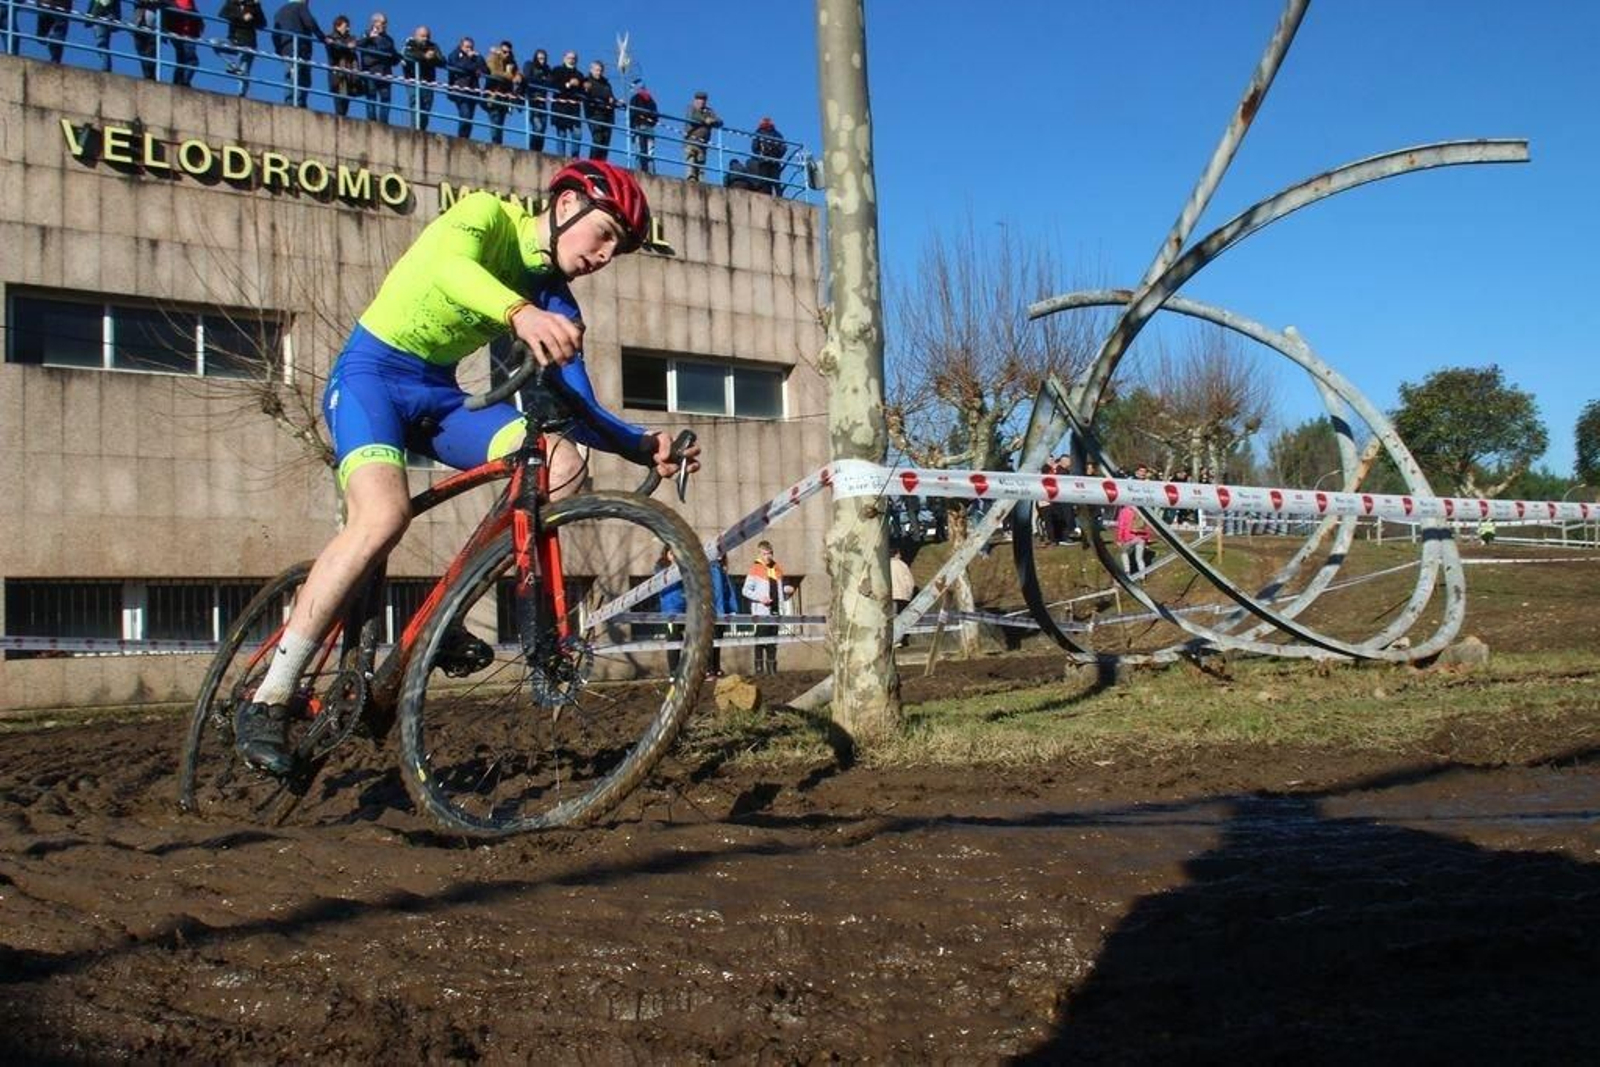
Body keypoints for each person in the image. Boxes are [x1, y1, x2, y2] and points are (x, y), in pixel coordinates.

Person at [233, 161, 697, 775]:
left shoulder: (553, 296)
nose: (607, 255)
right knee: (382, 517)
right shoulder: (483, 216)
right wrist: (518, 315)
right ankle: (270, 695)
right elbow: (451, 273)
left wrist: (639, 444)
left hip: (439, 401)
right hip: (371, 380)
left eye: (620, 248)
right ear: (565, 207)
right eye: (605, 234)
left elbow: (575, 406)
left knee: (559, 462)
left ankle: (447, 610)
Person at [742, 541, 791, 676]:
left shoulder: (777, 568)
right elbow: (745, 590)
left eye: (770, 553)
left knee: (773, 641)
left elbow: (781, 590)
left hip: (776, 610)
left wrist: (787, 590)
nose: (768, 556)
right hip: (762, 611)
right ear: (760, 554)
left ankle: (772, 670)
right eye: (765, 554)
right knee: (760, 640)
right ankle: (759, 670)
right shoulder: (755, 568)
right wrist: (761, 598)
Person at [272, 0, 324, 108]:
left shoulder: (279, 12)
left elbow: (275, 33)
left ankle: (290, 101)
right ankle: (298, 103)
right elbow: (310, 22)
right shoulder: (300, 7)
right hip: (300, 48)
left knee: (291, 76)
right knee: (302, 78)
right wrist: (322, 37)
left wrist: (278, 49)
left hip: (285, 49)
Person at [357, 13, 399, 122]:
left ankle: (384, 122)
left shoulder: (388, 39)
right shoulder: (365, 34)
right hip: (370, 71)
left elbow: (390, 52)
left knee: (386, 99)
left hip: (385, 72)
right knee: (371, 97)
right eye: (382, 23)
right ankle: (371, 121)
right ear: (374, 23)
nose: (384, 25)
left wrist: (397, 57)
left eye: (385, 23)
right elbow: (358, 46)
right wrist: (370, 38)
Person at [400, 25, 443, 131]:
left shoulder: (433, 46)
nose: (425, 39)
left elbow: (442, 60)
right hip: (413, 80)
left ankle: (422, 130)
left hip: (428, 82)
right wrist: (424, 56)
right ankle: (415, 130)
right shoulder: (409, 43)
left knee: (426, 108)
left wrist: (433, 57)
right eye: (423, 36)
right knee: (416, 104)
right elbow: (406, 54)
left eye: (427, 36)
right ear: (415, 36)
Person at [219, 0, 266, 95]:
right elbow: (222, 14)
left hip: (248, 42)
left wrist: (257, 9)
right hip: (233, 40)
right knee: (214, 43)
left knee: (245, 69)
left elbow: (262, 24)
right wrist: (241, 16)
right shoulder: (231, 3)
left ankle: (241, 94)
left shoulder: (253, 6)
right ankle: (233, 66)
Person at [445, 36, 486, 139]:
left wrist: (478, 59)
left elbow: (486, 69)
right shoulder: (454, 55)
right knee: (466, 115)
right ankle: (461, 138)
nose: (469, 49)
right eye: (467, 47)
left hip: (473, 91)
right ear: (461, 46)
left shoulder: (476, 56)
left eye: (471, 47)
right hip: (460, 90)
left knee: (470, 119)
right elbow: (458, 66)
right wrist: (470, 60)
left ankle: (465, 138)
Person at [482, 40, 519, 146]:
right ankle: (496, 145)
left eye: (509, 52)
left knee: (500, 123)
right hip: (493, 95)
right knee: (496, 121)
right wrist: (508, 74)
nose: (507, 54)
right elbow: (494, 73)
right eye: (504, 52)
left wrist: (518, 77)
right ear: (500, 50)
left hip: (505, 97)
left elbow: (518, 73)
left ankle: (498, 144)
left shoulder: (511, 61)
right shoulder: (492, 57)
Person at [549, 50, 585, 157]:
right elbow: (553, 85)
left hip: (574, 108)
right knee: (561, 134)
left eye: (574, 58)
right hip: (560, 107)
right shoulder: (557, 70)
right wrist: (568, 84)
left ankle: (574, 157)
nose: (572, 60)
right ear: (564, 58)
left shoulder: (580, 75)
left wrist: (583, 87)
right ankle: (561, 157)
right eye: (569, 58)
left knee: (577, 134)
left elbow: (583, 93)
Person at [582, 58, 618, 162]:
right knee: (597, 138)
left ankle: (602, 163)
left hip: (607, 116)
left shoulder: (606, 84)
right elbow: (588, 95)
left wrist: (614, 101)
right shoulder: (587, 81)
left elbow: (611, 97)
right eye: (597, 70)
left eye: (600, 70)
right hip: (594, 114)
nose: (599, 72)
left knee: (605, 142)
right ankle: (592, 161)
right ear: (591, 70)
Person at [325, 14, 360, 116]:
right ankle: (340, 120)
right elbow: (335, 50)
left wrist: (342, 45)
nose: (348, 28)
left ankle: (342, 119)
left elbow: (354, 47)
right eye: (346, 26)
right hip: (337, 73)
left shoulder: (351, 37)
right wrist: (345, 46)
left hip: (349, 73)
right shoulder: (330, 37)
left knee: (346, 101)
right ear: (338, 26)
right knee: (339, 101)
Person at [683, 90, 721, 182]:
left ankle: (701, 180)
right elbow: (692, 118)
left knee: (701, 162)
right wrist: (705, 120)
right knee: (691, 159)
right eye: (699, 99)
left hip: (703, 142)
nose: (701, 101)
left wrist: (712, 120)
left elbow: (720, 121)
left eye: (703, 99)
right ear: (695, 100)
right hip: (691, 140)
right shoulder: (691, 108)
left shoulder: (709, 111)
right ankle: (691, 178)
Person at [520, 47, 553, 152]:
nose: (541, 61)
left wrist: (542, 81)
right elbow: (528, 78)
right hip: (532, 100)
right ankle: (533, 150)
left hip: (543, 102)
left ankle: (539, 151)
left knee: (543, 129)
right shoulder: (529, 65)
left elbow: (551, 83)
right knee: (537, 127)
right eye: (539, 58)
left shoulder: (547, 69)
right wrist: (541, 80)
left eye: (543, 59)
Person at [163, 0, 203, 87]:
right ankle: (183, 82)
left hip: (186, 33)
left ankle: (178, 82)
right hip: (182, 33)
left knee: (182, 60)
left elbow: (192, 12)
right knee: (192, 60)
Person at [749, 116, 786, 194]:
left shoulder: (759, 132)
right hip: (773, 160)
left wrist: (760, 154)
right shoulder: (776, 133)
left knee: (766, 181)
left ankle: (768, 196)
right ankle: (778, 196)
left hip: (765, 161)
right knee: (775, 181)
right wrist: (778, 155)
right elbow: (783, 147)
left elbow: (754, 148)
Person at [627, 82, 658, 174]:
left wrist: (632, 128)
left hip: (639, 126)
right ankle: (651, 172)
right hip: (649, 127)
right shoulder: (651, 100)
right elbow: (655, 116)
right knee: (649, 151)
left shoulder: (635, 98)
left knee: (640, 150)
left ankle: (640, 171)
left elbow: (632, 114)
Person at [890, 547, 914, 647]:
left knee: (892, 617)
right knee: (901, 618)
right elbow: (910, 582)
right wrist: (909, 594)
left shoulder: (884, 565)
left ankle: (892, 639)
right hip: (902, 595)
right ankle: (899, 639)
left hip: (890, 595)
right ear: (897, 554)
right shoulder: (902, 565)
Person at [130, 0, 161, 78]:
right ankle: (148, 76)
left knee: (151, 54)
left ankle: (151, 76)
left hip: (152, 28)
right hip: (139, 26)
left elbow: (165, 3)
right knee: (142, 54)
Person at [86, 0, 120, 72]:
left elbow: (117, 8)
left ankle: (106, 67)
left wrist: (89, 17)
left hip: (102, 18)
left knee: (101, 43)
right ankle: (106, 66)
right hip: (99, 18)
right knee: (103, 43)